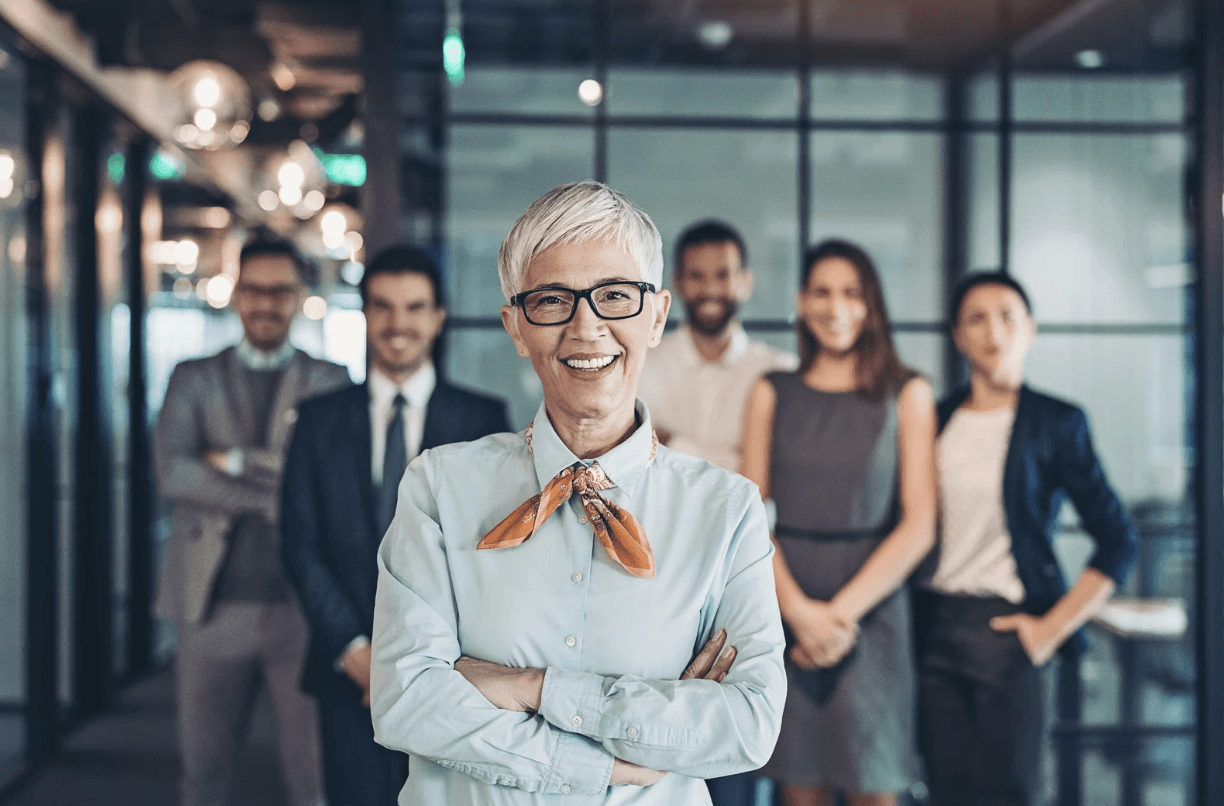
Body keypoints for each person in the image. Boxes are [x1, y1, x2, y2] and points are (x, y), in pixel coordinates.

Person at [368, 180, 787, 805]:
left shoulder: (727, 510)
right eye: (552, 300)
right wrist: (627, 753)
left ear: (657, 315)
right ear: (515, 326)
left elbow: (748, 726)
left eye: (615, 296)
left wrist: (533, 688)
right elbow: (405, 702)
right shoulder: (437, 486)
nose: (586, 327)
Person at [281, 244, 510, 806]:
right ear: (364, 315)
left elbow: (494, 553)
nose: (397, 324)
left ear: (438, 316)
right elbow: (299, 545)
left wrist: (436, 659)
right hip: (346, 667)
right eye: (382, 307)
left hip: (454, 673)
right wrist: (357, 652)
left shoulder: (484, 421)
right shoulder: (317, 420)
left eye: (414, 308)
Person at [915, 272, 1137, 806]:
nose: (993, 330)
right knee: (943, 791)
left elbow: (1118, 538)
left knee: (1012, 792)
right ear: (957, 335)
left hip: (1010, 629)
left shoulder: (1057, 423)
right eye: (976, 318)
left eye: (1007, 315)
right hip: (934, 627)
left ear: (1030, 329)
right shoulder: (934, 418)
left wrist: (1052, 628)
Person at [154, 239, 351, 806]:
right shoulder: (192, 376)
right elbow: (176, 474)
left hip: (304, 613)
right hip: (211, 607)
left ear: (299, 298)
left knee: (313, 775)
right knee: (204, 771)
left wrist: (233, 459)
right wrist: (271, 495)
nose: (267, 303)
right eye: (256, 290)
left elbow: (324, 479)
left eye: (281, 291)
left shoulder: (331, 379)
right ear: (237, 295)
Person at [742, 239, 936, 806]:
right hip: (788, 599)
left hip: (874, 610)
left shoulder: (909, 393)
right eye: (822, 292)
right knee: (799, 788)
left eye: (852, 292)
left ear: (872, 303)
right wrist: (801, 615)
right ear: (802, 302)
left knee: (876, 786)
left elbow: (919, 525)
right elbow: (750, 520)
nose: (836, 306)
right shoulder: (769, 392)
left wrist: (836, 619)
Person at [638, 220, 796, 476]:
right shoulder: (642, 367)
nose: (710, 289)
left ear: (746, 282)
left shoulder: (780, 371)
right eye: (696, 276)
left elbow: (778, 473)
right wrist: (741, 456)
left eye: (723, 275)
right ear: (677, 283)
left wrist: (671, 443)